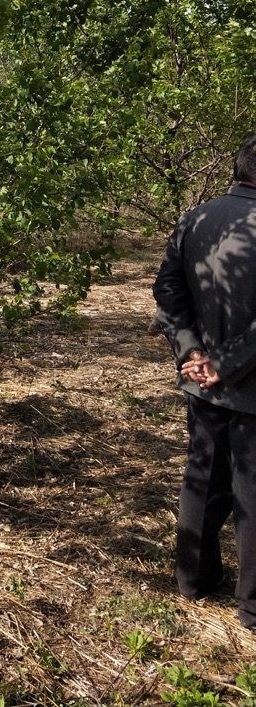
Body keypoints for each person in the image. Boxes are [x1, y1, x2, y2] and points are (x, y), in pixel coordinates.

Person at [152, 134, 256, 629]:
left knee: (203, 476)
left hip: (203, 382)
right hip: (244, 383)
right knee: (251, 491)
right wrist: (222, 361)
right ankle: (251, 607)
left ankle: (193, 580)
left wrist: (191, 350)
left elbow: (167, 289)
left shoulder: (195, 218)